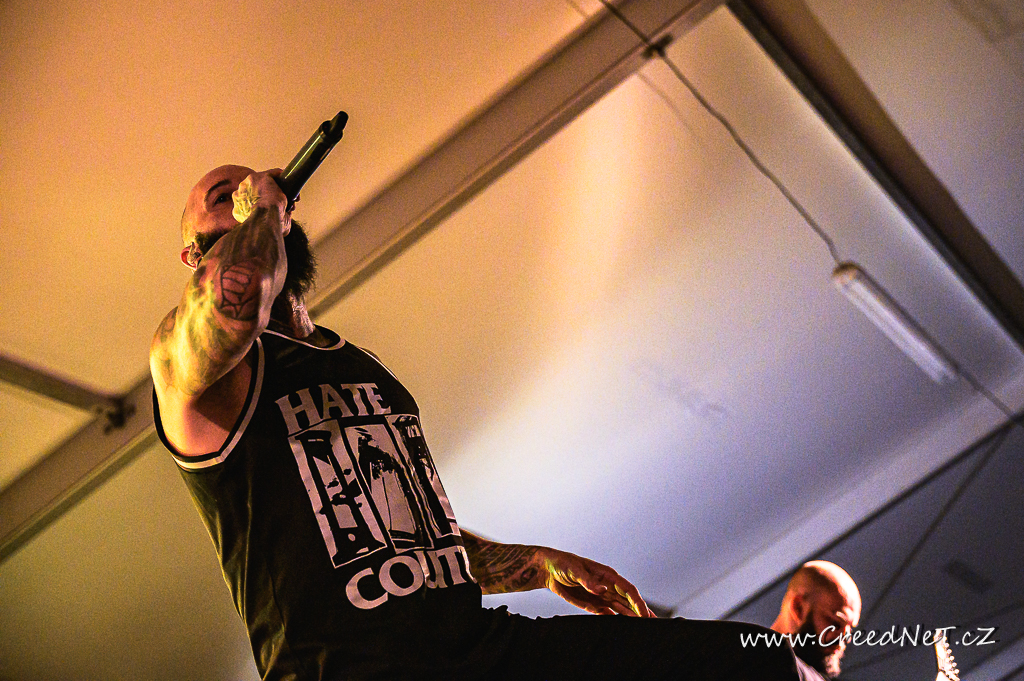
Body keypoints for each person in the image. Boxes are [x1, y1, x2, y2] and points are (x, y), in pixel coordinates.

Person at [151, 164, 803, 680]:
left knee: (756, 660)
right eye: (223, 197)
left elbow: (404, 531)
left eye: (255, 190)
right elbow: (236, 306)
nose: (247, 196)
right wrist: (261, 210)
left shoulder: (356, 364)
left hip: (477, 647)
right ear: (190, 254)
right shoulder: (184, 363)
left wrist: (534, 563)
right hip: (350, 670)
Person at [769, 561, 862, 680]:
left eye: (850, 628)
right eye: (835, 622)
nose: (845, 637)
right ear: (798, 608)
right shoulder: (754, 666)